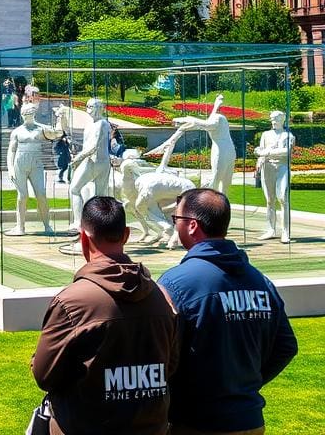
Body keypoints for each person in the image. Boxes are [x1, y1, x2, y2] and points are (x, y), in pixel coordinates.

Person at [32, 197, 179, 435]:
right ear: (127, 235)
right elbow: (170, 366)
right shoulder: (161, 297)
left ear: (83, 238)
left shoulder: (72, 302)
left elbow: (45, 376)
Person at [158, 189, 298, 435]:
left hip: (197, 422)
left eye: (175, 220)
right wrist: (244, 385)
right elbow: (286, 346)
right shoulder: (259, 280)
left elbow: (163, 355)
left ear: (192, 226)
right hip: (250, 419)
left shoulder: (176, 283)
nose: (174, 226)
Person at [6, 102, 62, 235]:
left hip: (36, 163)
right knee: (22, 196)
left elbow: (58, 134)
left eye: (30, 113)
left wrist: (60, 117)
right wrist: (10, 168)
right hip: (20, 163)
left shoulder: (41, 129)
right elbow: (11, 151)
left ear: (34, 114)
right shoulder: (17, 132)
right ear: (22, 115)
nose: (28, 116)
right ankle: (20, 227)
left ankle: (47, 225)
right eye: (25, 113)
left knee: (41, 195)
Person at [171, 94, 236, 195]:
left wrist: (183, 120)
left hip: (221, 150)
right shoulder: (220, 117)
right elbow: (206, 122)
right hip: (229, 150)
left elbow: (205, 124)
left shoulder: (217, 119)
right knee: (224, 181)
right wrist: (216, 104)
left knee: (217, 179)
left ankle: (214, 203)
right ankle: (220, 203)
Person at [68, 98, 111, 234]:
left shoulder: (102, 124)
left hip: (94, 161)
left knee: (75, 189)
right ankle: (97, 225)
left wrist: (78, 159)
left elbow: (93, 147)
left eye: (91, 107)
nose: (89, 110)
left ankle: (79, 222)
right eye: (87, 106)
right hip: (96, 161)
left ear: (99, 108)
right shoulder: (93, 124)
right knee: (99, 195)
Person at [254, 110, 296, 243]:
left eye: (276, 119)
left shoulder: (288, 135)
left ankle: (285, 232)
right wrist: (259, 162)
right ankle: (271, 229)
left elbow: (286, 152)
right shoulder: (265, 135)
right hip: (268, 168)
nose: (273, 122)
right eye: (272, 119)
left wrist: (267, 152)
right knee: (269, 200)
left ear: (282, 120)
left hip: (282, 168)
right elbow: (259, 151)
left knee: (283, 198)